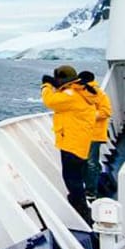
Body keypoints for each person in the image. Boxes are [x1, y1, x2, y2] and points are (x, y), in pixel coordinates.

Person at [41, 65, 100, 222]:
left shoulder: (71, 95)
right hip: (79, 141)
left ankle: (82, 210)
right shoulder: (82, 92)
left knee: (71, 177)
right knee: (76, 175)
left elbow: (50, 101)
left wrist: (46, 85)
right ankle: (78, 201)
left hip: (71, 143)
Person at [79, 71, 113, 199]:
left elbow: (106, 111)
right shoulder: (82, 92)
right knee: (86, 162)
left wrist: (87, 116)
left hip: (94, 134)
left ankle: (91, 192)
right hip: (83, 133)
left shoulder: (99, 94)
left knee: (90, 162)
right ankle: (91, 185)